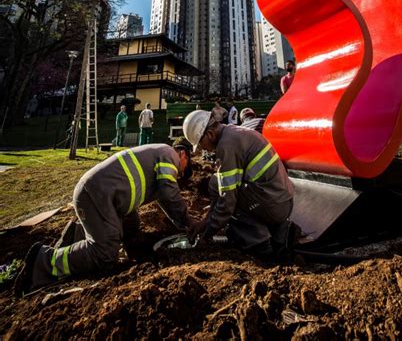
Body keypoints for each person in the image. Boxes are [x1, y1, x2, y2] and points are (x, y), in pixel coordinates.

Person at [14, 139, 194, 296]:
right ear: (183, 155)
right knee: (105, 253)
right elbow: (169, 192)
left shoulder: (159, 153)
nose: (178, 176)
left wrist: (180, 224)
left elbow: (164, 196)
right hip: (96, 195)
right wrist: (189, 223)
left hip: (106, 197)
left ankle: (81, 236)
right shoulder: (170, 154)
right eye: (182, 172)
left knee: (132, 225)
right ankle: (45, 261)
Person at [183, 110, 295, 260]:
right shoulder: (232, 133)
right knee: (217, 183)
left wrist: (208, 233)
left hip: (274, 205)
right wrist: (206, 221)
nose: (204, 150)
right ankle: (274, 233)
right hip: (279, 200)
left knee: (229, 201)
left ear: (209, 134)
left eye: (202, 145)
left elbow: (227, 200)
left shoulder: (227, 146)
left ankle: (260, 245)